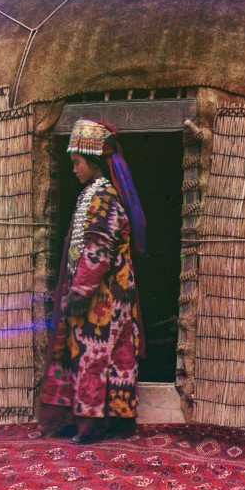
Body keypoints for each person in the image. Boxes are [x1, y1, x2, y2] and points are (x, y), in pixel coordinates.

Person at [38, 118, 146, 444]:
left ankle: (93, 426)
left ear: (94, 162)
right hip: (92, 295)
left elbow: (98, 250)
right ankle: (76, 419)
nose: (74, 169)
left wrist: (80, 291)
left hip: (105, 298)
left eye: (77, 163)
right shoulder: (91, 194)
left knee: (95, 357)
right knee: (81, 354)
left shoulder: (104, 198)